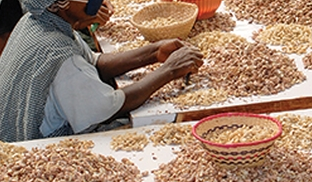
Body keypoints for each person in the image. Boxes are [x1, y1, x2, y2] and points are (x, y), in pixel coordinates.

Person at [0, 0, 203, 142]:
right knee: (163, 129)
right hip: (42, 148)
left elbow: (94, 63)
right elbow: (106, 109)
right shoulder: (60, 55)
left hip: (20, 132)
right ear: (63, 3)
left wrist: (155, 51)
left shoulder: (38, 22)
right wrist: (169, 70)